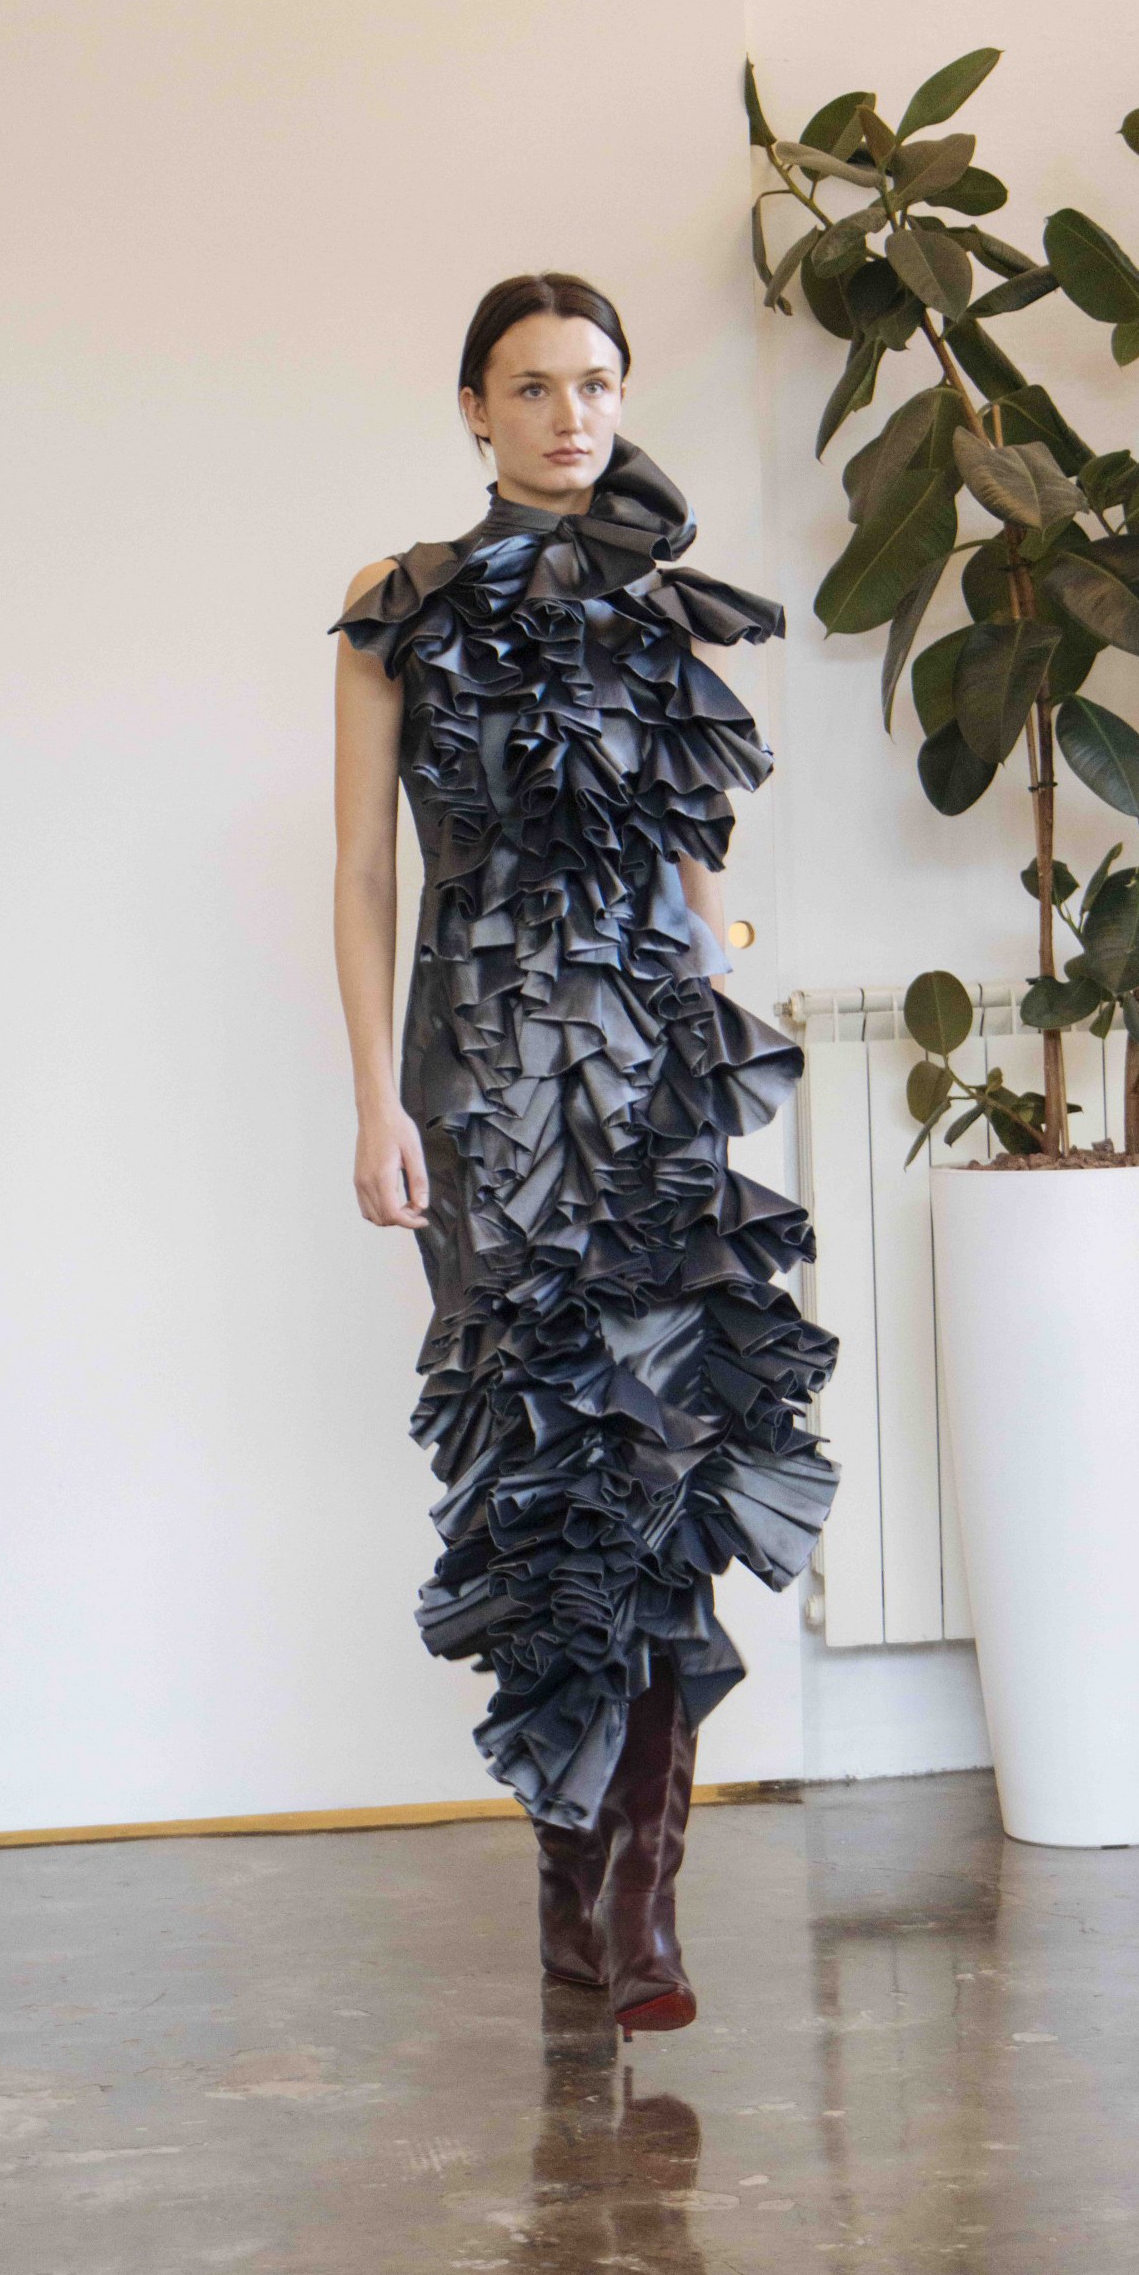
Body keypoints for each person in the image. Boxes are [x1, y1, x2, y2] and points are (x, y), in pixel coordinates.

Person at [330, 272, 837, 2037]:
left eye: (598, 383)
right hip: (472, 1071)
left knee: (674, 1439)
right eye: (534, 386)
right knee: (541, 1455)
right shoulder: (394, 608)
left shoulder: (668, 614)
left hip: (649, 1074)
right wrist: (373, 1104)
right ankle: (568, 1877)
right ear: (473, 406)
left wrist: (738, 1010)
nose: (571, 415)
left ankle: (643, 1894)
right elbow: (365, 877)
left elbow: (702, 879)